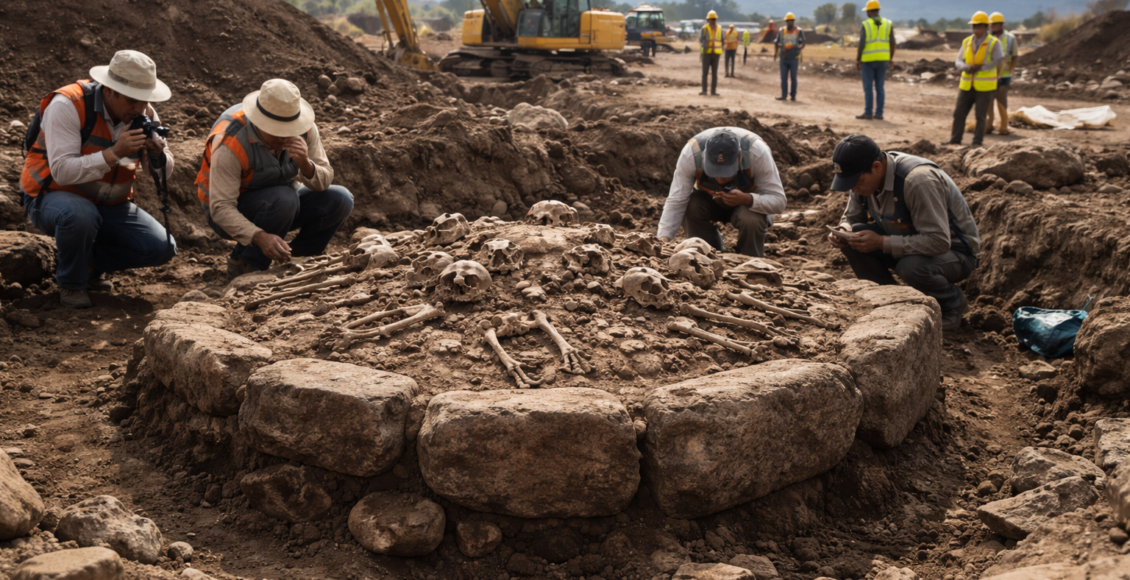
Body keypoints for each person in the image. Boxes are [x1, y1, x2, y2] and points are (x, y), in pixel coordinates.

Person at [20, 50, 177, 309]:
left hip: (110, 203)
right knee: (80, 215)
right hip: (52, 195)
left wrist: (158, 154)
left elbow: (158, 174)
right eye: (131, 101)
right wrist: (115, 153)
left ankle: (88, 263)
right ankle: (72, 282)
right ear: (108, 90)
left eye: (144, 100)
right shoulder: (67, 105)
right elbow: (61, 170)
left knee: (161, 248)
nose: (140, 108)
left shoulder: (144, 111)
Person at [195, 79, 354, 279]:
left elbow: (324, 181)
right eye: (277, 132)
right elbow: (220, 208)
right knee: (284, 199)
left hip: (282, 201)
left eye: (289, 130)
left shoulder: (305, 128)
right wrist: (259, 237)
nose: (284, 138)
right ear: (259, 122)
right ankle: (250, 267)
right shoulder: (231, 141)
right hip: (232, 210)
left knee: (340, 199)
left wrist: (305, 163)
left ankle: (293, 259)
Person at [826, 135, 980, 332]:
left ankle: (952, 305)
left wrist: (882, 242)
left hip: (957, 253)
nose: (854, 188)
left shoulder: (917, 181)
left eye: (857, 182)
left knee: (911, 267)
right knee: (855, 237)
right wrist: (844, 230)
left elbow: (939, 241)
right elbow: (852, 218)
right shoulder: (862, 180)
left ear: (877, 167)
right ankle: (892, 301)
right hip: (908, 241)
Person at [657, 127, 787, 257]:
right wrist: (662, 240)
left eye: (726, 174)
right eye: (713, 171)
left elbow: (779, 201)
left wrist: (747, 199)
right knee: (691, 204)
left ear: (739, 158)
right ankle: (706, 253)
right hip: (709, 202)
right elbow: (676, 200)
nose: (719, 179)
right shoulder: (691, 154)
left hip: (747, 207)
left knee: (752, 218)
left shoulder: (757, 153)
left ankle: (751, 259)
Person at [948, 12, 1003, 146]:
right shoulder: (967, 41)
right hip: (966, 85)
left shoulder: (993, 42)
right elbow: (958, 60)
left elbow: (999, 59)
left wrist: (982, 68)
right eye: (974, 26)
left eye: (978, 26)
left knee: (980, 116)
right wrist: (966, 67)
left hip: (984, 87)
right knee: (959, 114)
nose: (975, 29)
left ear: (985, 27)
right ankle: (955, 140)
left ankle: (977, 142)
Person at [855, 0, 895, 120]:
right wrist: (890, 58)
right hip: (883, 60)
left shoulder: (866, 24)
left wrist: (858, 59)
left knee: (868, 88)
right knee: (880, 87)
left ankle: (868, 113)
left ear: (869, 12)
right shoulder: (888, 23)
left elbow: (861, 43)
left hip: (868, 60)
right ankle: (879, 113)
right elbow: (892, 42)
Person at [985, 12, 1019, 135]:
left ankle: (1004, 127)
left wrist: (1011, 70)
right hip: (990, 76)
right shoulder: (987, 39)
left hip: (1004, 76)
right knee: (989, 101)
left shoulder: (1010, 38)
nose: (992, 26)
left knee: (1001, 100)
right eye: (991, 24)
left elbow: (1015, 56)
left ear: (1001, 25)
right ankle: (989, 125)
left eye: (995, 24)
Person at [773, 14, 805, 102]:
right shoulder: (781, 31)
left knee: (793, 77)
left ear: (793, 21)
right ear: (786, 21)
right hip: (783, 57)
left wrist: (799, 47)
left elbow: (803, 41)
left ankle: (793, 95)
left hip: (794, 58)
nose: (790, 22)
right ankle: (784, 95)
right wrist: (781, 46)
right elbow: (776, 41)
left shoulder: (799, 31)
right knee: (783, 77)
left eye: (791, 20)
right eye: (788, 21)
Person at [699, 11, 723, 96]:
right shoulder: (704, 28)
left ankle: (713, 91)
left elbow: (722, 40)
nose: (713, 21)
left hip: (716, 54)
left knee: (714, 74)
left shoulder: (720, 29)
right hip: (706, 53)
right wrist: (703, 47)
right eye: (712, 19)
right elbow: (700, 40)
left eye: (714, 19)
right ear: (708, 20)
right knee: (705, 73)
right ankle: (704, 91)